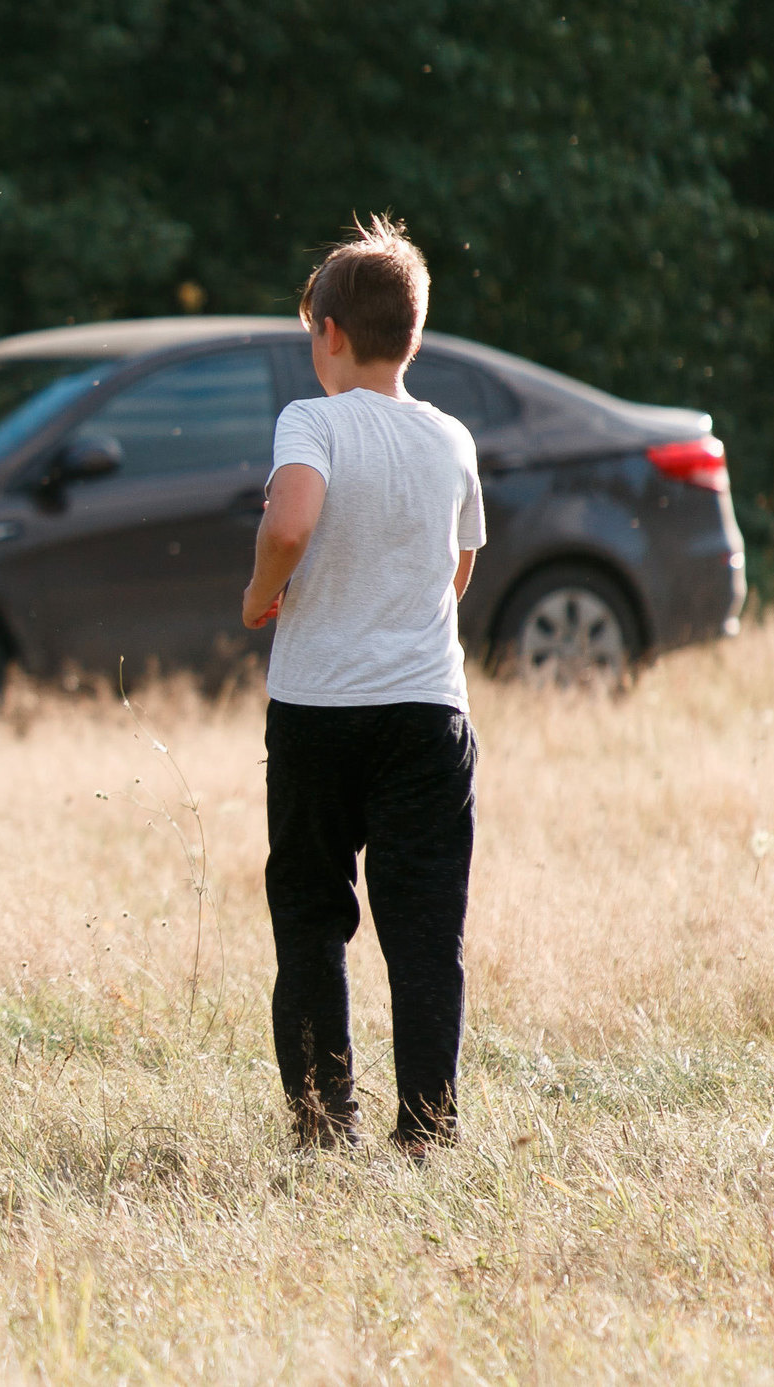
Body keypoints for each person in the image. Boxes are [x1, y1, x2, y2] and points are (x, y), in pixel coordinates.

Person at [239, 218, 486, 1155]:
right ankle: (426, 1129)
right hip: (428, 710)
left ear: (330, 332)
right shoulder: (451, 437)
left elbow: (292, 522)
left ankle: (322, 1119)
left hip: (317, 707)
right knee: (425, 929)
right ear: (411, 337)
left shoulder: (312, 420)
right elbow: (457, 568)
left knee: (311, 917)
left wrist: (265, 591)